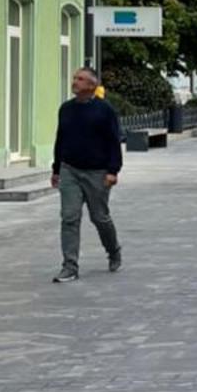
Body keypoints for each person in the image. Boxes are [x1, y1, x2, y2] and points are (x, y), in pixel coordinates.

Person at [50, 66, 123, 282]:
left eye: (80, 79)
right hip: (70, 169)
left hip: (97, 172)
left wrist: (113, 170)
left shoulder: (105, 110)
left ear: (92, 85)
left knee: (100, 218)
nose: (75, 82)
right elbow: (60, 140)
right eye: (74, 78)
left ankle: (113, 250)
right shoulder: (66, 109)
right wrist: (56, 169)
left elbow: (113, 141)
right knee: (69, 217)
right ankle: (69, 266)